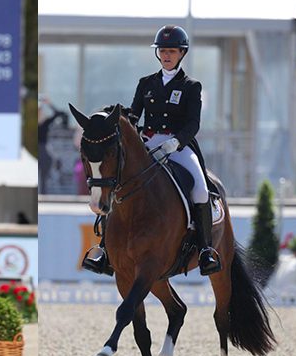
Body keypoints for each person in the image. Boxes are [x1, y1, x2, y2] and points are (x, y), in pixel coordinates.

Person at [81, 25, 221, 276]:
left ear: (181, 53)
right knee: (118, 182)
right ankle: (103, 249)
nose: (166, 55)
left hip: (178, 146)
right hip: (147, 143)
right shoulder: (146, 83)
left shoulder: (191, 86)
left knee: (200, 188)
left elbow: (193, 124)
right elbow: (134, 115)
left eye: (172, 51)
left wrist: (176, 142)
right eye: (163, 51)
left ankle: (205, 250)